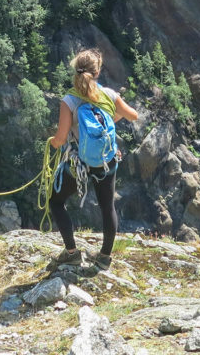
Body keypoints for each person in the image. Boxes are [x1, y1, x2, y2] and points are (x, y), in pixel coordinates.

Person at [49, 48, 138, 271]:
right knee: (107, 207)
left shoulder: (69, 101)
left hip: (78, 163)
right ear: (97, 72)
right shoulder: (109, 94)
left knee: (56, 202)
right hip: (106, 160)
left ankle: (71, 253)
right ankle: (105, 256)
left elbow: (60, 138)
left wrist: (52, 143)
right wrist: (109, 120)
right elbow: (133, 115)